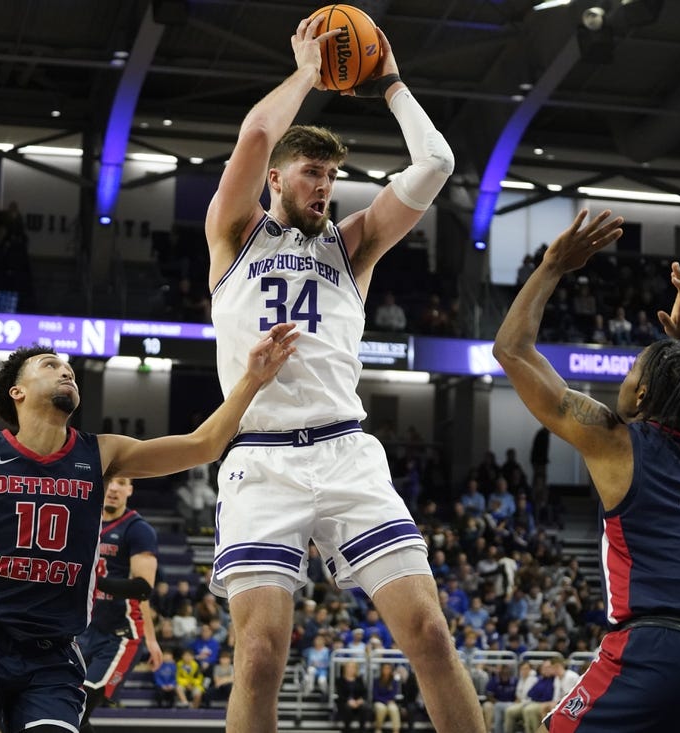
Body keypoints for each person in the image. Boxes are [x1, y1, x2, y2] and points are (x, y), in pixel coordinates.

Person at [0, 219, 298, 733]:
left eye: (68, 366)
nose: (66, 369)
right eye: (50, 365)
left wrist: (252, 379)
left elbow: (203, 445)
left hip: (55, 653)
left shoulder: (101, 455)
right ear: (17, 392)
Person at [203, 13, 481, 733]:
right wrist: (308, 71)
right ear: (276, 181)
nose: (325, 186)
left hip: (346, 450)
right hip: (261, 458)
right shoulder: (233, 234)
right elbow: (258, 134)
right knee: (260, 654)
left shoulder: (351, 246)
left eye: (332, 175)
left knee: (428, 633)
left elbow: (436, 164)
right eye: (312, 173)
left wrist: (387, 82)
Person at [492, 210, 680, 732]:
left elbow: (511, 350)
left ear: (642, 395)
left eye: (631, 369)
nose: (625, 375)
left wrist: (552, 264)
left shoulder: (615, 442)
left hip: (660, 651)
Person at [76, 475, 161, 733]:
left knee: (79, 709)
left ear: (130, 490)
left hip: (120, 637)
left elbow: (142, 588)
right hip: (84, 631)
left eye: (122, 482)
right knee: (67, 712)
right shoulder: (85, 522)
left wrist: (151, 638)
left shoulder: (137, 529)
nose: (113, 488)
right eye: (109, 481)